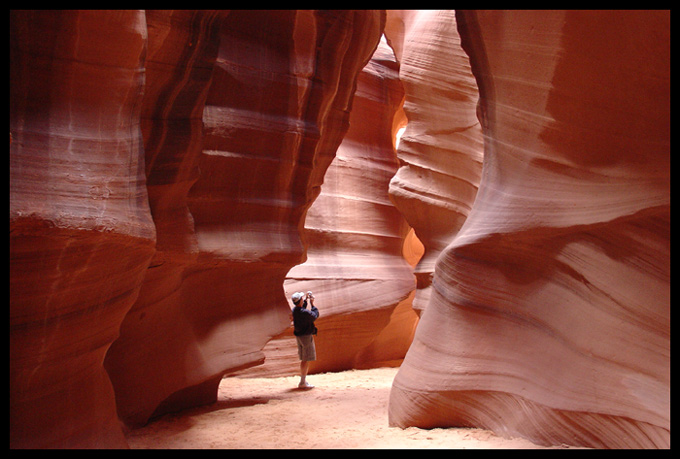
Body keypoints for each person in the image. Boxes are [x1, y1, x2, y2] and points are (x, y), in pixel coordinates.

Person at [291, 291, 319, 389]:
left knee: (304, 359)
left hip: (300, 337)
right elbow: (315, 315)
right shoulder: (303, 312)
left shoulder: (295, 310)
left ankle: (303, 381)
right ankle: (302, 382)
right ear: (300, 300)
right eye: (302, 298)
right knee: (306, 360)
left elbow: (302, 310)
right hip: (306, 337)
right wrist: (312, 304)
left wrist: (306, 300)